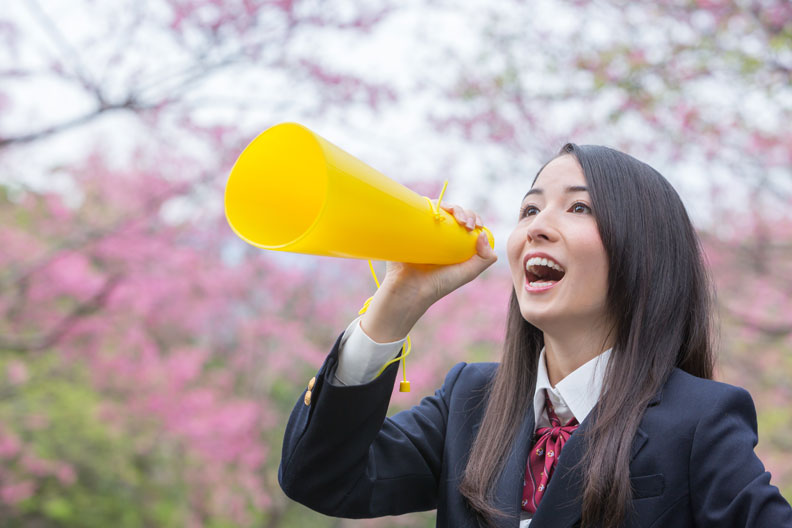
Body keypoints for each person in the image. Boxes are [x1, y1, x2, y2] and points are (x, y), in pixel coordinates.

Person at [278, 144, 792, 528]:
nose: (536, 228)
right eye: (529, 209)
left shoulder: (698, 419)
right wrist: (397, 303)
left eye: (578, 208)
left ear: (644, 254)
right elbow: (322, 478)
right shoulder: (470, 402)